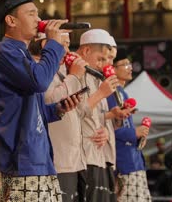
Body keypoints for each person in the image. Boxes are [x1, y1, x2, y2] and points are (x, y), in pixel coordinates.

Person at [0, 0, 79, 202]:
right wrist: (54, 44)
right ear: (11, 21)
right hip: (21, 158)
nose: (39, 19)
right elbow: (39, 82)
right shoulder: (5, 50)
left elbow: (30, 110)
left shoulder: (23, 53)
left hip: (37, 157)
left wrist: (57, 110)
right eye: (31, 13)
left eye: (38, 13)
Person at [32, 32, 89, 202]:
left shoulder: (59, 72)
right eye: (64, 44)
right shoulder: (39, 69)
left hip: (73, 160)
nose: (68, 50)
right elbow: (49, 101)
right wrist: (74, 76)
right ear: (45, 44)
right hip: (57, 160)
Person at [74, 29, 129, 201]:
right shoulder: (75, 74)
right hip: (83, 156)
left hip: (99, 155)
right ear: (86, 51)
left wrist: (107, 123)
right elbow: (73, 112)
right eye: (102, 59)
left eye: (110, 59)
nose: (106, 64)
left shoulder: (97, 78)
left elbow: (97, 115)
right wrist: (101, 94)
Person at [107, 48, 151, 201]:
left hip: (133, 160)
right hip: (125, 163)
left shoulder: (121, 93)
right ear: (112, 68)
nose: (130, 67)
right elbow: (108, 128)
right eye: (125, 64)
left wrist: (138, 136)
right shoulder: (111, 93)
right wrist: (134, 133)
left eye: (130, 63)